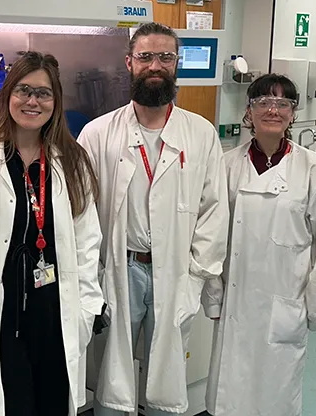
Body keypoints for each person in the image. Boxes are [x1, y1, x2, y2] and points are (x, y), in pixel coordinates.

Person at [77, 22, 229, 415]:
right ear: (129, 63)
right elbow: (82, 212)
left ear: (177, 64)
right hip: (119, 270)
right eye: (146, 56)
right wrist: (91, 274)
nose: (155, 65)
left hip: (176, 271)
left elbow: (214, 211)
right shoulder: (97, 134)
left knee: (167, 374)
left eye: (165, 57)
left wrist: (196, 275)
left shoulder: (201, 133)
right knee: (114, 374)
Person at [0, 52, 105, 416]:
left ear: (56, 101)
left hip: (55, 310)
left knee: (52, 399)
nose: (33, 101)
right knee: (10, 401)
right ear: (7, 96)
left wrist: (85, 306)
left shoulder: (72, 159)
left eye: (43, 93)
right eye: (23, 90)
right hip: (0, 313)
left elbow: (87, 239)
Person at [204, 74, 316, 416]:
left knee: (277, 394)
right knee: (231, 395)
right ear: (248, 111)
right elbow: (212, 237)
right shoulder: (226, 166)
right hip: (236, 300)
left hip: (285, 301)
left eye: (282, 103)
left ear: (293, 113)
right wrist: (213, 295)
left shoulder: (315, 170)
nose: (273, 110)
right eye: (263, 102)